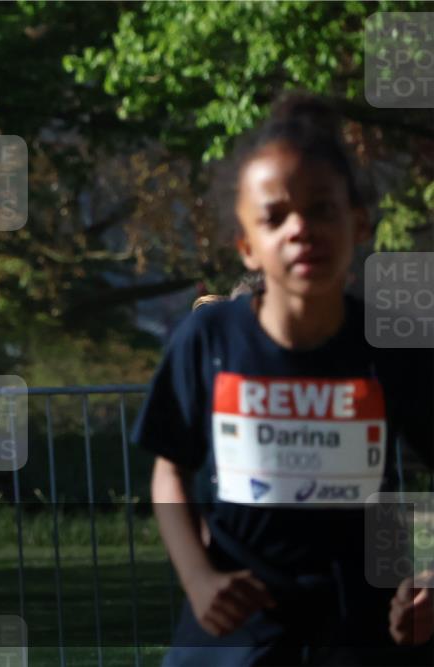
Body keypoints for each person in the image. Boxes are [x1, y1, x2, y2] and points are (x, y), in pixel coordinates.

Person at [134, 95, 433, 665]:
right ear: (246, 243)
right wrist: (197, 580)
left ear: (359, 222)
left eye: (322, 208)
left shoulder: (392, 346)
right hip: (233, 632)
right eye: (275, 216)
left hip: (365, 631)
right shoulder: (208, 339)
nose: (301, 229)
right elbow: (170, 469)